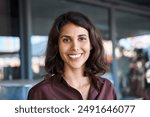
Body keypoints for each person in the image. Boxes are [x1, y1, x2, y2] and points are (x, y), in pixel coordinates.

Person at [27, 11, 117, 100]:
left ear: (91, 44)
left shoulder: (107, 88)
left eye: (81, 38)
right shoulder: (40, 93)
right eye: (66, 40)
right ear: (57, 45)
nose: (75, 47)